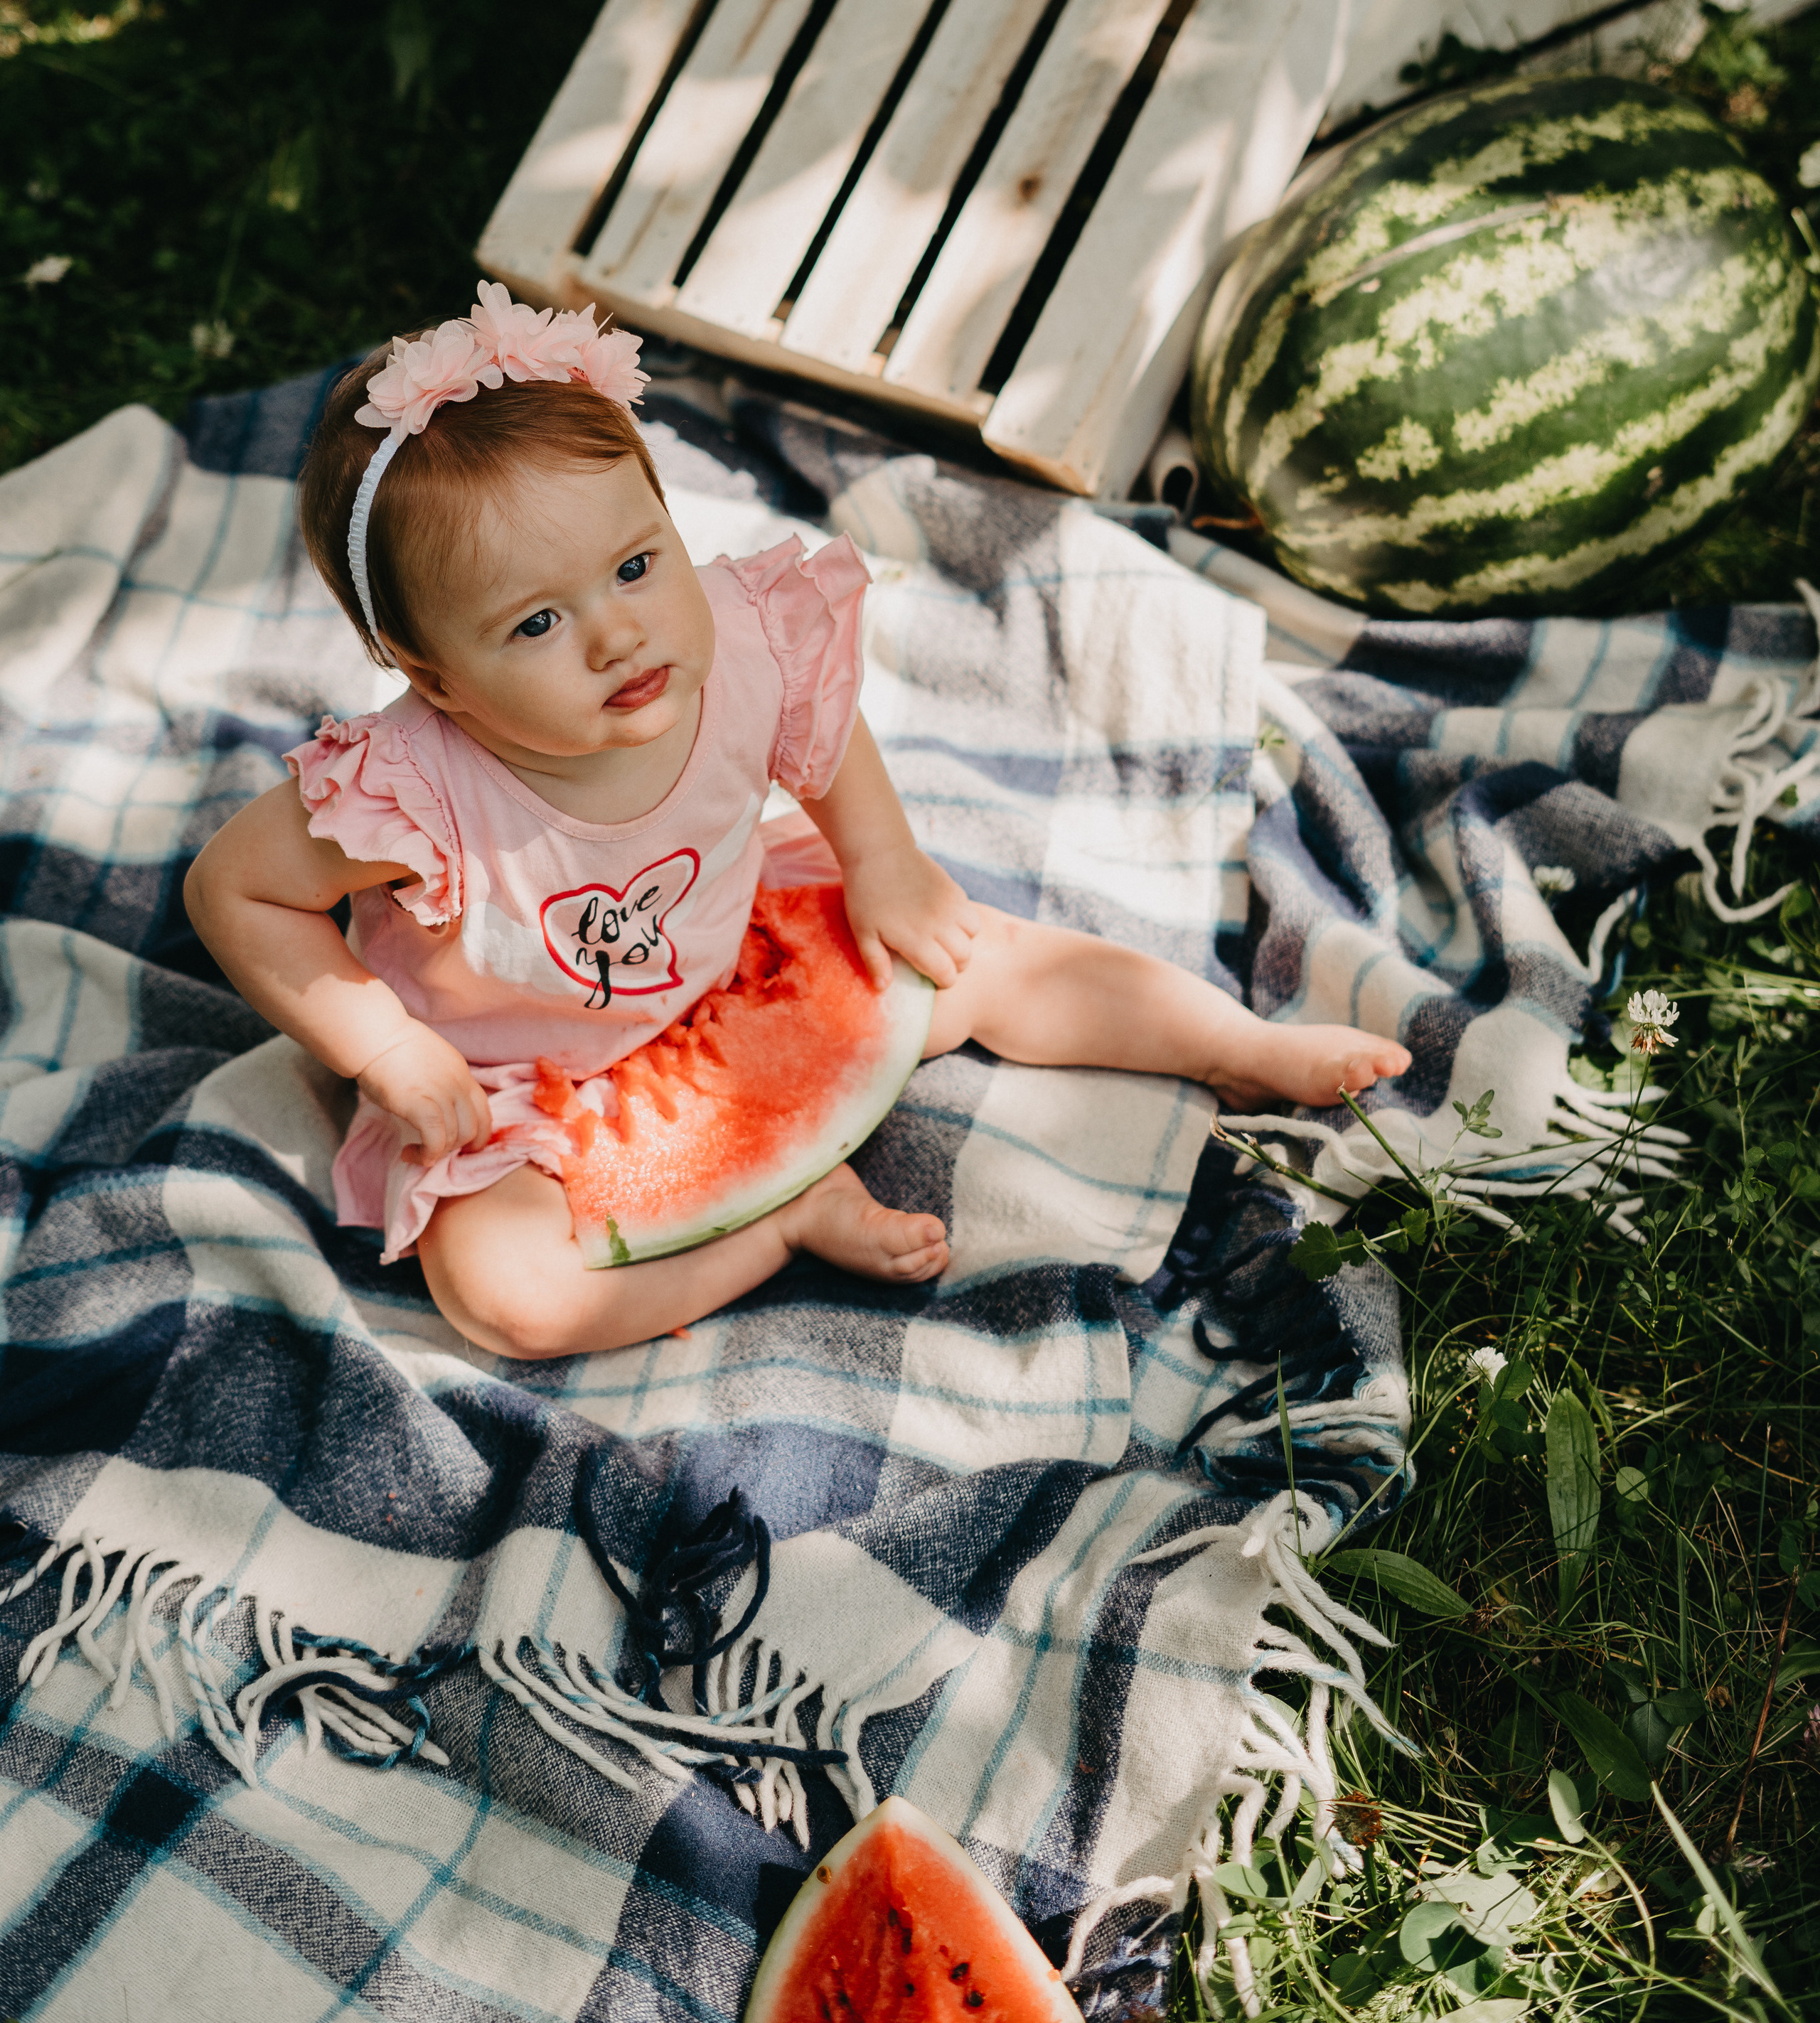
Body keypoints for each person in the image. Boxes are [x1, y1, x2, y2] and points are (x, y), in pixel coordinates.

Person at [185, 285, 1410, 1359]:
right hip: (515, 1076)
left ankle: (1235, 1048)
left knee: (987, 957)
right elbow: (230, 889)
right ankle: (777, 1230)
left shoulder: (737, 638)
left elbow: (816, 725)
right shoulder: (408, 786)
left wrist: (882, 858)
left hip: (743, 952)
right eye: (536, 624)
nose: (618, 634)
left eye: (635, 565)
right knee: (506, 1297)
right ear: (434, 676)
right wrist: (386, 1051)